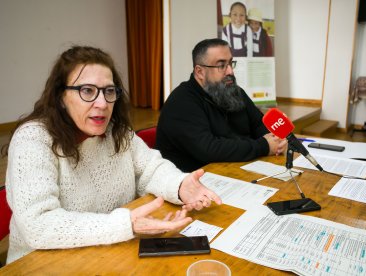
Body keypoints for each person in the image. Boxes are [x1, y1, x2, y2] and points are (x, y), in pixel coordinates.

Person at [2, 45, 222, 264]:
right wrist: (125, 225)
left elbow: (150, 168)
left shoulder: (117, 132)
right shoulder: (33, 140)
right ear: (61, 96)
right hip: (43, 263)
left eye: (109, 91)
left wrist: (180, 185)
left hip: (111, 252)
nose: (102, 103)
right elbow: (38, 224)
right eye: (87, 91)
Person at [156, 38, 287, 172]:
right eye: (221, 65)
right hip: (197, 180)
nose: (230, 71)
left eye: (230, 63)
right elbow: (209, 149)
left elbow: (259, 124)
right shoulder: (181, 101)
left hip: (237, 169)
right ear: (200, 71)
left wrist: (276, 139)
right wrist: (264, 146)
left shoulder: (234, 91)